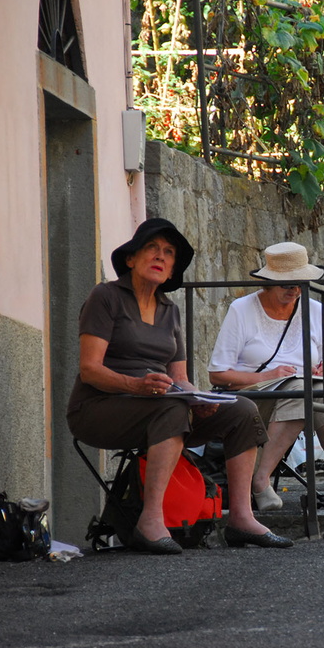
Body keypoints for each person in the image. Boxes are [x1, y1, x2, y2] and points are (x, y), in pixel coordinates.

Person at [67, 218, 292, 554]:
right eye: (152, 248)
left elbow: (180, 376)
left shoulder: (169, 310)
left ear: (172, 270)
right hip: (99, 408)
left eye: (168, 252)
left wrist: (196, 398)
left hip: (159, 405)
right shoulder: (106, 297)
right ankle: (150, 520)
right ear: (131, 259)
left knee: (241, 410)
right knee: (172, 407)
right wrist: (137, 385)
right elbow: (90, 370)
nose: (160, 256)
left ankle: (241, 519)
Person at [208, 242, 324, 512]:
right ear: (268, 284)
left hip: (301, 395)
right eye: (286, 283)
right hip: (250, 398)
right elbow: (217, 375)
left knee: (316, 390)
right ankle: (260, 480)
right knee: (304, 389)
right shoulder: (242, 309)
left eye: (299, 283)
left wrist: (323, 376)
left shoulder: (314, 310)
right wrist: (269, 375)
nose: (294, 289)